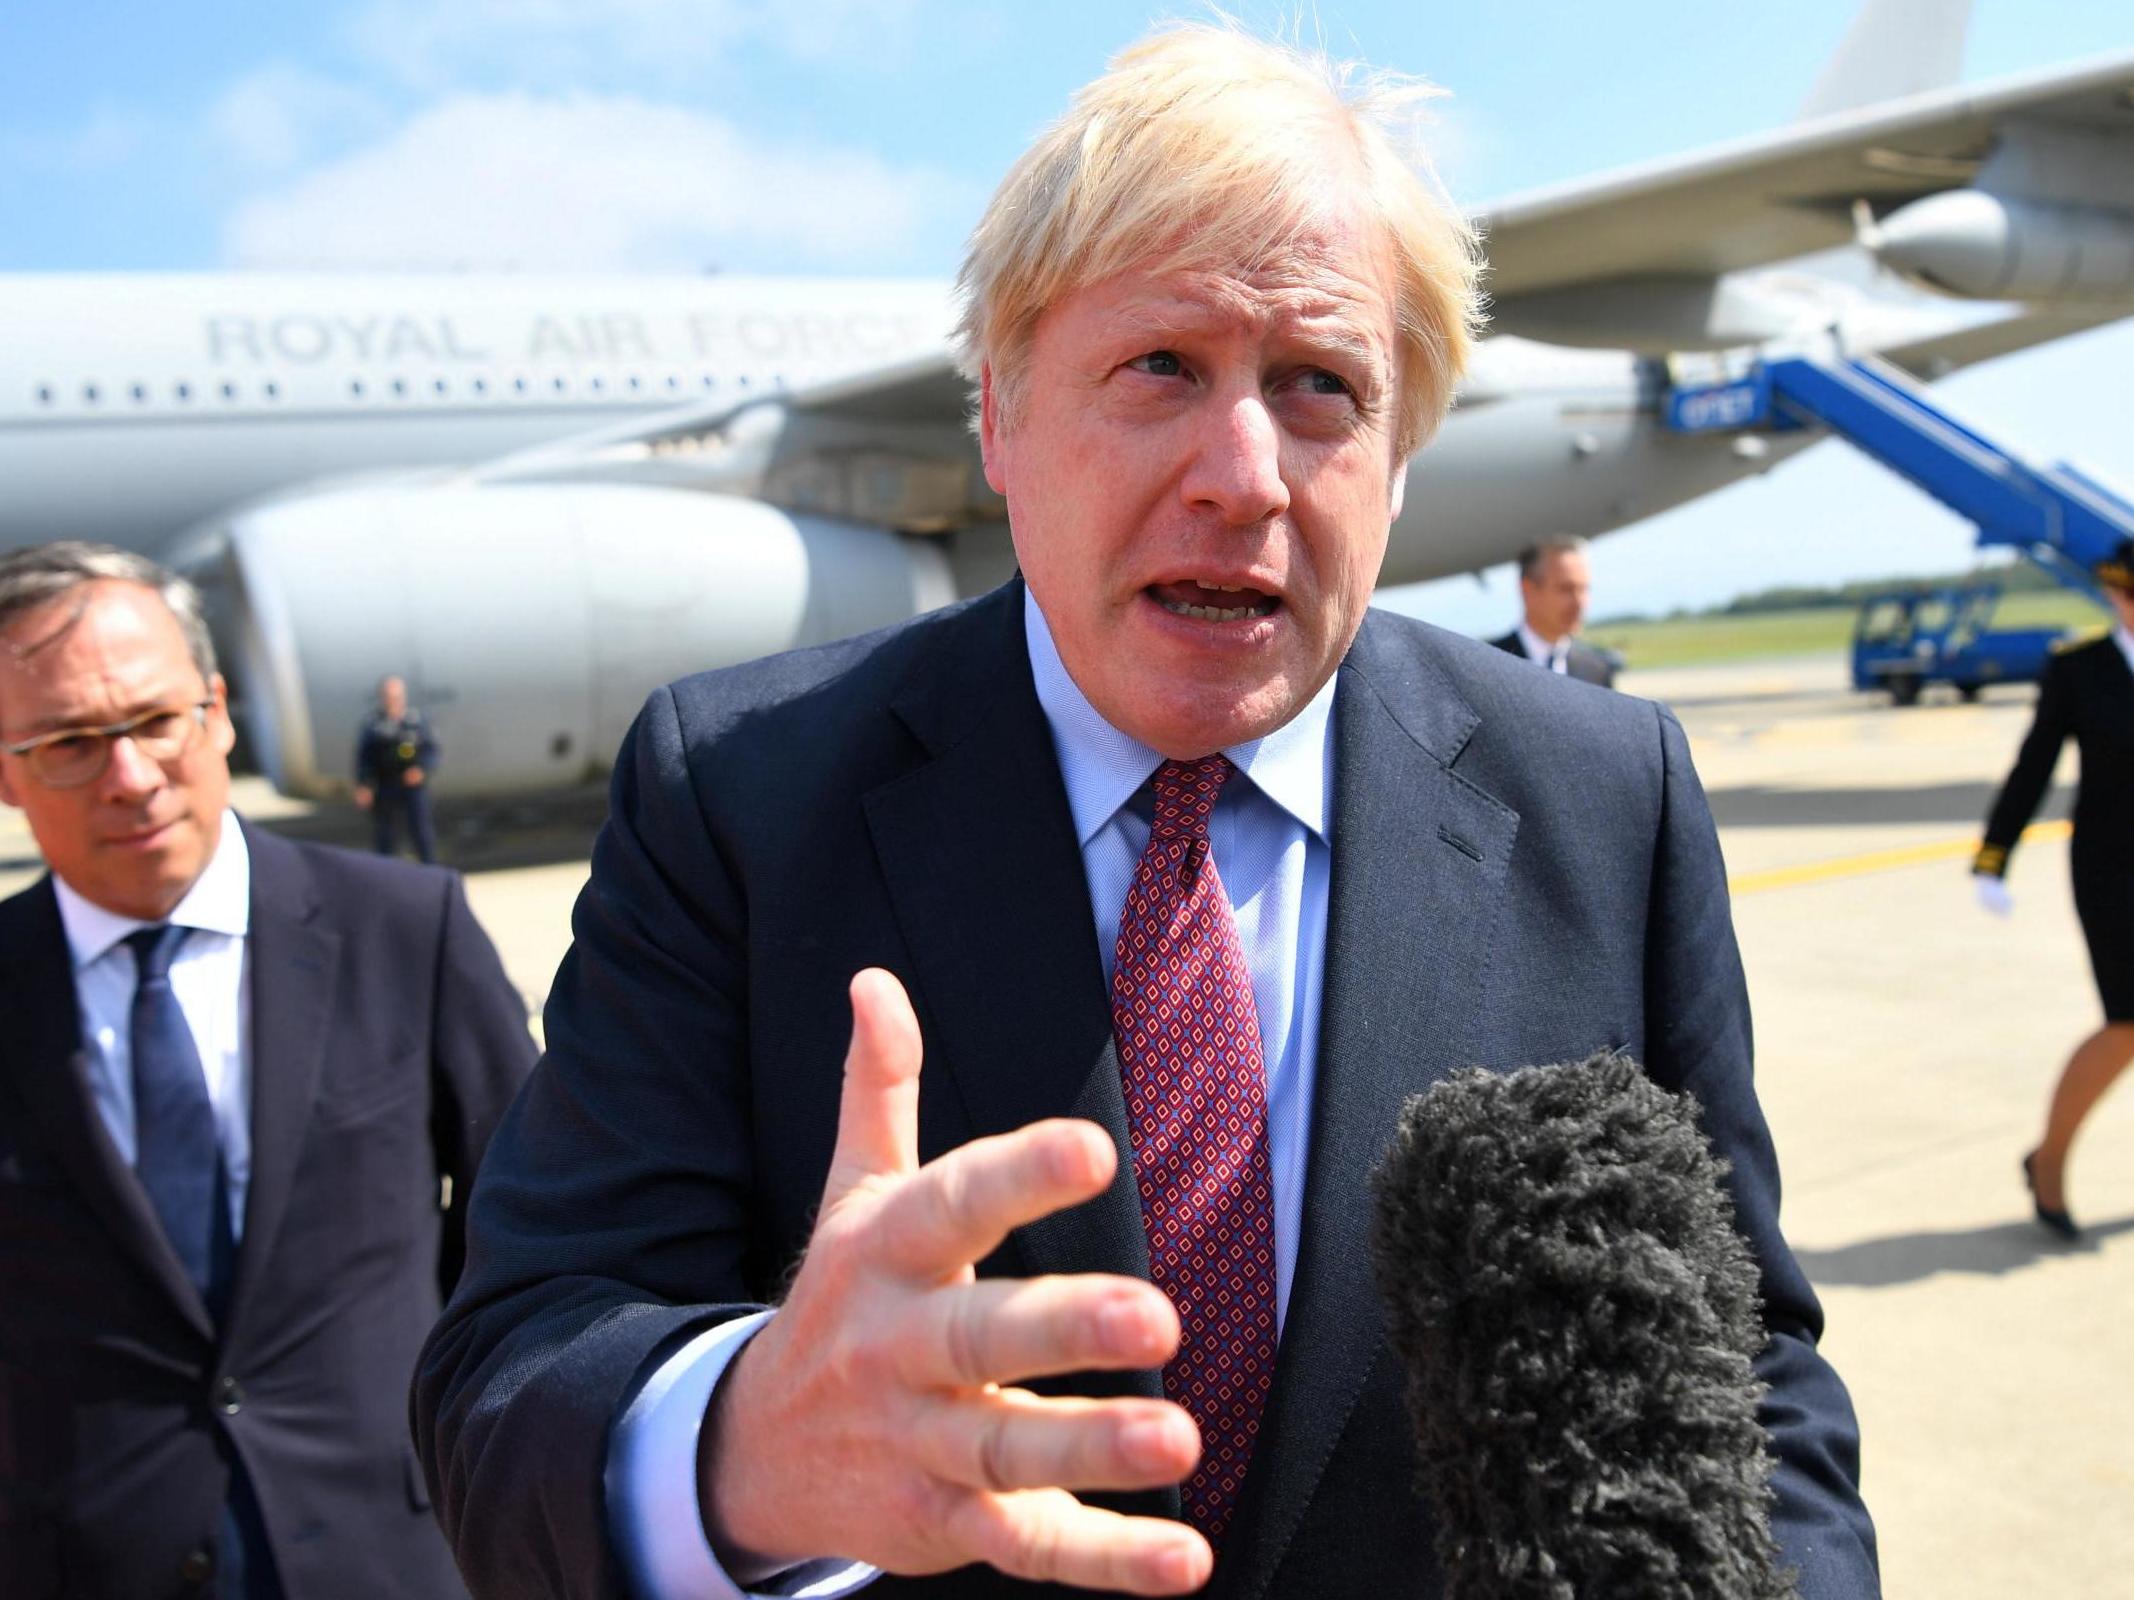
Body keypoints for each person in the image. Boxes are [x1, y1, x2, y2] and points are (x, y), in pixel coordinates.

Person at [415, 26, 1878, 1600]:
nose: (1242, 472)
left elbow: (1747, 1376)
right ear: (1000, 419)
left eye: (1320, 387)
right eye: (1160, 367)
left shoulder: (1607, 798)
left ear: (1396, 464)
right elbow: (509, 1376)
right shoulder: (737, 800)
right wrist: (745, 1447)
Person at [0, 543, 537, 1599]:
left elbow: (537, 1233)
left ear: (218, 711)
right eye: (70, 742)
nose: (131, 776)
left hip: (402, 1552)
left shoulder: (403, 931)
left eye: (157, 721)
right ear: (6, 773)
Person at [1972, 538, 2134, 1239]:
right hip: (2113, 870)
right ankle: (2050, 1162)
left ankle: (2045, 1159)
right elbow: (2035, 765)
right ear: (2114, 592)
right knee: (2129, 1021)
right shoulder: (2082, 669)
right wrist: (1993, 854)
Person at [1487, 536, 1616, 686]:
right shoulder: (1490, 664)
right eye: (1566, 589)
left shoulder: (1596, 669)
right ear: (1528, 589)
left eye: (1584, 589)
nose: (1579, 603)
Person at [354, 674, 440, 863]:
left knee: (421, 832)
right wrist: (364, 785)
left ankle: (431, 871)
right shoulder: (373, 725)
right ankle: (387, 875)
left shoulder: (416, 721)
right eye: (388, 696)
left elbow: (432, 751)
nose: (392, 701)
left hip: (413, 787)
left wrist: (421, 770)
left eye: (397, 697)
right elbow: (364, 758)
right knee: (386, 836)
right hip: (386, 785)